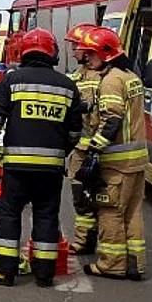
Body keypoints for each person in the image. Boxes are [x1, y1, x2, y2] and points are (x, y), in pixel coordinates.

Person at [0, 29, 82, 288]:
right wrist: (60, 152)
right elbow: (75, 132)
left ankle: (5, 269)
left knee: (9, 213)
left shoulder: (12, 82)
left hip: (17, 167)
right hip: (51, 169)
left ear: (23, 52)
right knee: (47, 215)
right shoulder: (68, 86)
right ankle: (44, 273)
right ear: (52, 52)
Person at [76, 27, 148, 281]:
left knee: (110, 211)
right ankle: (134, 264)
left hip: (117, 162)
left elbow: (111, 120)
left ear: (105, 53)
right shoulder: (130, 76)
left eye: (91, 53)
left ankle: (111, 265)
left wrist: (94, 150)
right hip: (137, 160)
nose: (87, 58)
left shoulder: (110, 81)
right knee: (133, 212)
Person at [64, 23, 101, 255]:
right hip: (80, 148)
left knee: (96, 199)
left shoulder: (103, 78)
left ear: (88, 50)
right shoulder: (76, 77)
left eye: (76, 46)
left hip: (96, 149)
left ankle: (91, 240)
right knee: (80, 198)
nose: (73, 51)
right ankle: (84, 240)